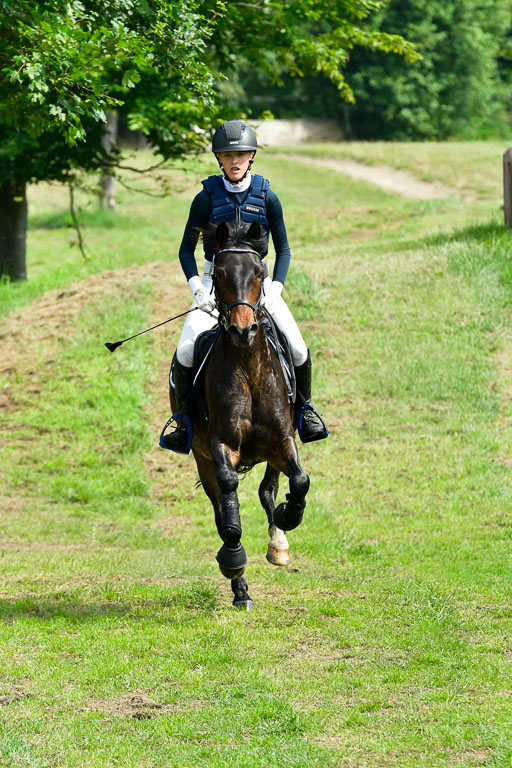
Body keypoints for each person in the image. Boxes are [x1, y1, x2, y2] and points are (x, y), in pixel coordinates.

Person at [161, 119, 328, 452]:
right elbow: (185, 250)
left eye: (240, 154)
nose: (234, 160)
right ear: (218, 159)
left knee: (296, 347)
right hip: (215, 280)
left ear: (251, 155)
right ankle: (181, 420)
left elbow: (285, 249)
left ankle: (305, 411)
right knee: (184, 349)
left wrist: (276, 287)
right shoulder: (205, 199)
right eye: (226, 155)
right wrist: (198, 289)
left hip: (257, 282)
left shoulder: (268, 197)